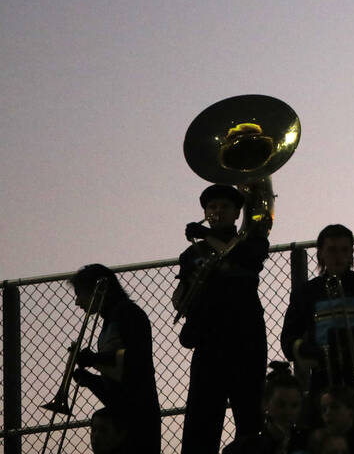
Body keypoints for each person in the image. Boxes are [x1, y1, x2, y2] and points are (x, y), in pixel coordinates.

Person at [177, 182, 270, 453]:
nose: (217, 211)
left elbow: (248, 260)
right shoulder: (192, 254)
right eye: (212, 206)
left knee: (249, 419)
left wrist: (207, 235)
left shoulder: (252, 241)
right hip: (209, 342)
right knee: (200, 422)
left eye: (224, 207)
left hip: (246, 342)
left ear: (236, 213)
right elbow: (181, 297)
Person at [281, 224, 354, 437]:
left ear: (352, 253)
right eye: (332, 250)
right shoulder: (306, 293)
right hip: (322, 381)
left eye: (345, 250)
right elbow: (288, 339)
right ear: (321, 254)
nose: (339, 256)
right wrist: (311, 353)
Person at [68, 264, 161, 453]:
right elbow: (119, 385)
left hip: (137, 420)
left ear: (96, 288)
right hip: (131, 415)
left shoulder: (128, 314)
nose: (77, 302)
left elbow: (135, 365)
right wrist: (90, 379)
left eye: (79, 293)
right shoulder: (113, 318)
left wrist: (94, 360)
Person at [222, 363, 304, 454]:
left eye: (294, 405)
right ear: (265, 404)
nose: (288, 412)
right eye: (281, 404)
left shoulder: (308, 442)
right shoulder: (244, 448)